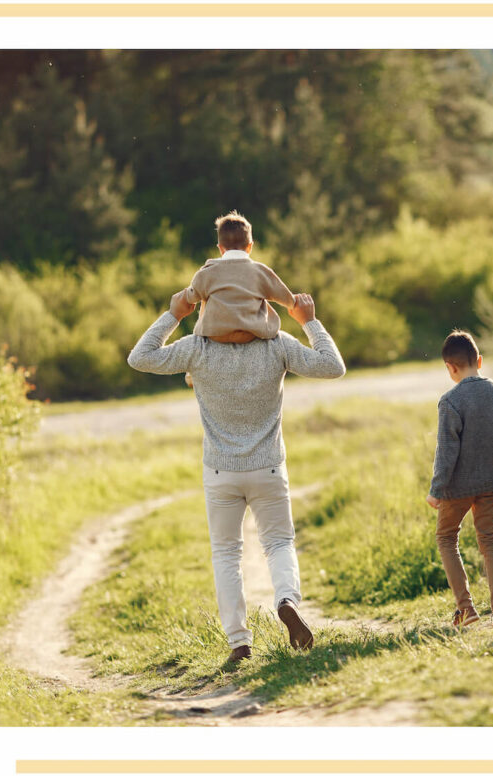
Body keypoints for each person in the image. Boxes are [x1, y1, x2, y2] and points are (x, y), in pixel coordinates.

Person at [127, 288, 345, 663]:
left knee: (226, 554)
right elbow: (333, 366)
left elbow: (139, 358)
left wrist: (174, 315)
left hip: (220, 471)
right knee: (279, 543)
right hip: (269, 467)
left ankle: (239, 643)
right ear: (259, 306)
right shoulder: (277, 344)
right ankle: (286, 600)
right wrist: (309, 321)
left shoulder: (197, 348)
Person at [426, 330, 493, 629]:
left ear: (450, 368)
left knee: (446, 537)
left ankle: (467, 609)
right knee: (489, 539)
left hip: (457, 486)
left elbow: (446, 452)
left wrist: (436, 490)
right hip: (492, 482)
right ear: (479, 361)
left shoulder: (450, 401)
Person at [181, 210, 297, 386]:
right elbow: (286, 299)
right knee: (261, 300)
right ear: (250, 246)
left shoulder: (208, 272)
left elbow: (191, 297)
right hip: (251, 333)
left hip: (215, 334)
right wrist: (294, 303)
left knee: (206, 300)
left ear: (220, 248)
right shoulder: (261, 272)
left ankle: (192, 372)